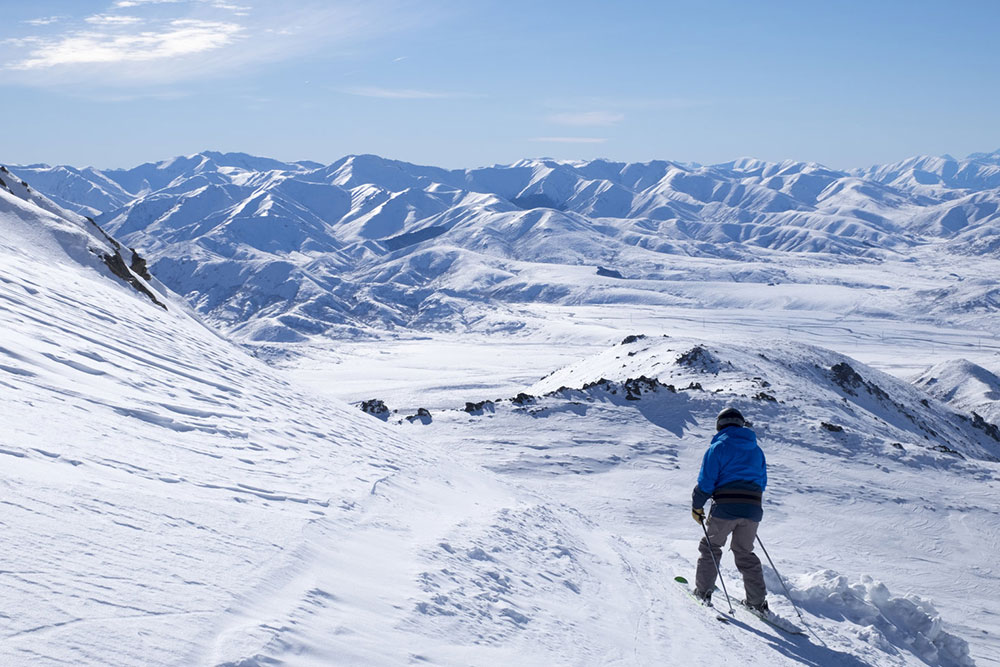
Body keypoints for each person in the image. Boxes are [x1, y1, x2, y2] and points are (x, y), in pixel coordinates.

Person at [691, 407, 768, 612]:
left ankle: (703, 591)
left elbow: (707, 482)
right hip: (753, 508)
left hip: (725, 507)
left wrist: (697, 505)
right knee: (744, 552)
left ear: (719, 426)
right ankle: (757, 602)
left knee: (711, 547)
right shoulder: (756, 450)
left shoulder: (718, 447)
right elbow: (762, 482)